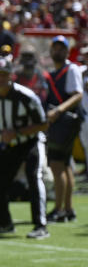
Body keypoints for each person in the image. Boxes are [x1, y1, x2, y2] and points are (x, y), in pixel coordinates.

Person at [0, 57, 49, 239]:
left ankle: (40, 225)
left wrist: (17, 132)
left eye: (5, 74)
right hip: (8, 144)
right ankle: (4, 223)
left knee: (34, 177)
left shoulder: (26, 96)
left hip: (31, 141)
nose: (2, 78)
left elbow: (43, 124)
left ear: (12, 75)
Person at [42, 36, 84, 223]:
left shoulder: (71, 69)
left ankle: (58, 209)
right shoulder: (53, 72)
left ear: (67, 51)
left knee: (57, 165)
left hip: (65, 121)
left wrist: (58, 110)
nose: (57, 51)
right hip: (61, 121)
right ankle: (68, 209)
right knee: (65, 165)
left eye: (61, 48)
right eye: (55, 48)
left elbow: (78, 95)